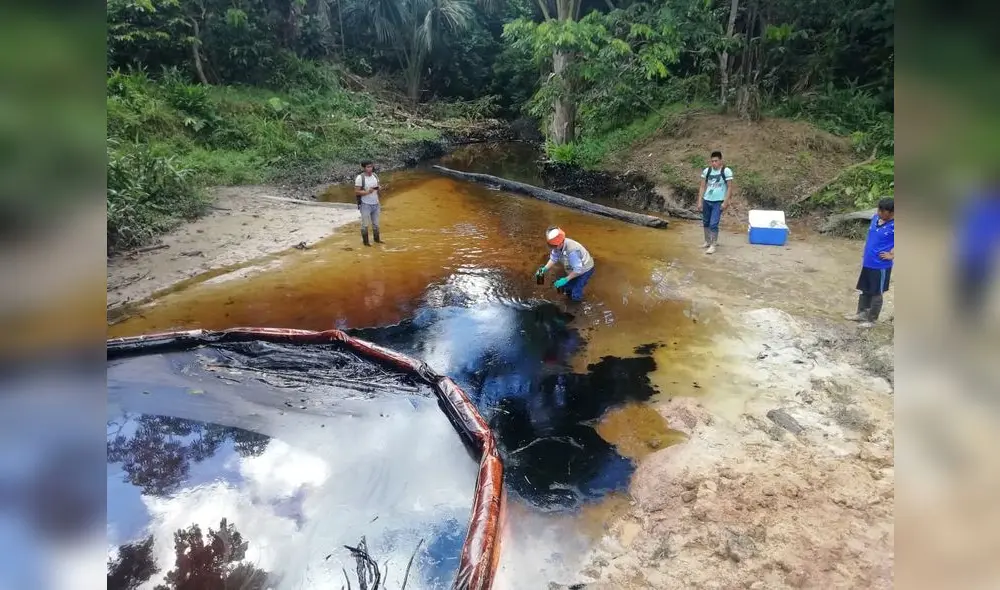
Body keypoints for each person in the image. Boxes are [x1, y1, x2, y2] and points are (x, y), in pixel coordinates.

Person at [848, 197, 894, 327]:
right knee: (865, 289)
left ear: (891, 212)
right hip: (868, 261)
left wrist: (892, 254)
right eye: (878, 209)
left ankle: (872, 320)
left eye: (882, 211)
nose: (879, 212)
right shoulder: (875, 219)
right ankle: (861, 313)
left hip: (880, 265)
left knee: (876, 292)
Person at [534, 226, 596, 302]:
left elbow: (578, 270)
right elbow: (553, 258)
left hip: (585, 269)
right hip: (575, 267)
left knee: (576, 292)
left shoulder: (572, 251)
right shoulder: (557, 246)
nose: (553, 248)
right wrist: (544, 269)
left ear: (560, 243)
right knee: (567, 288)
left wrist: (566, 279)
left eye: (554, 246)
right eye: (551, 246)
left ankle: (577, 306)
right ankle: (569, 294)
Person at [696, 150, 734, 254]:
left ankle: (713, 244)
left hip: (718, 201)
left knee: (713, 223)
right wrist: (700, 201)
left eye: (716, 161)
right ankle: (707, 241)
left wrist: (725, 202)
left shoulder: (726, 171)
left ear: (721, 161)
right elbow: (702, 186)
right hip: (707, 200)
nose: (714, 163)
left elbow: (730, 187)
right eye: (712, 161)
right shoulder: (707, 171)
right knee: (706, 222)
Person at [354, 161, 382, 246]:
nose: (370, 168)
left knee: (376, 224)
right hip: (365, 204)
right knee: (365, 225)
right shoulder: (360, 178)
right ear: (364, 168)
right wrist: (367, 192)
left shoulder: (375, 176)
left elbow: (378, 187)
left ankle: (377, 240)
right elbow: (356, 192)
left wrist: (379, 188)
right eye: (368, 167)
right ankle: (366, 243)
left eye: (371, 167)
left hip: (376, 203)